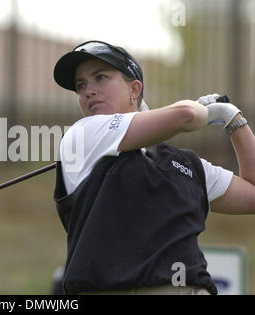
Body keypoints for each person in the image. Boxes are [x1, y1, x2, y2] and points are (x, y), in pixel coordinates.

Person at [52, 40, 255, 295]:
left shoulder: (186, 164)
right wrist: (202, 111)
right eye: (81, 85)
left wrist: (233, 118)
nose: (88, 91)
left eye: (100, 77)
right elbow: (186, 116)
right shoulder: (83, 135)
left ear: (134, 89)